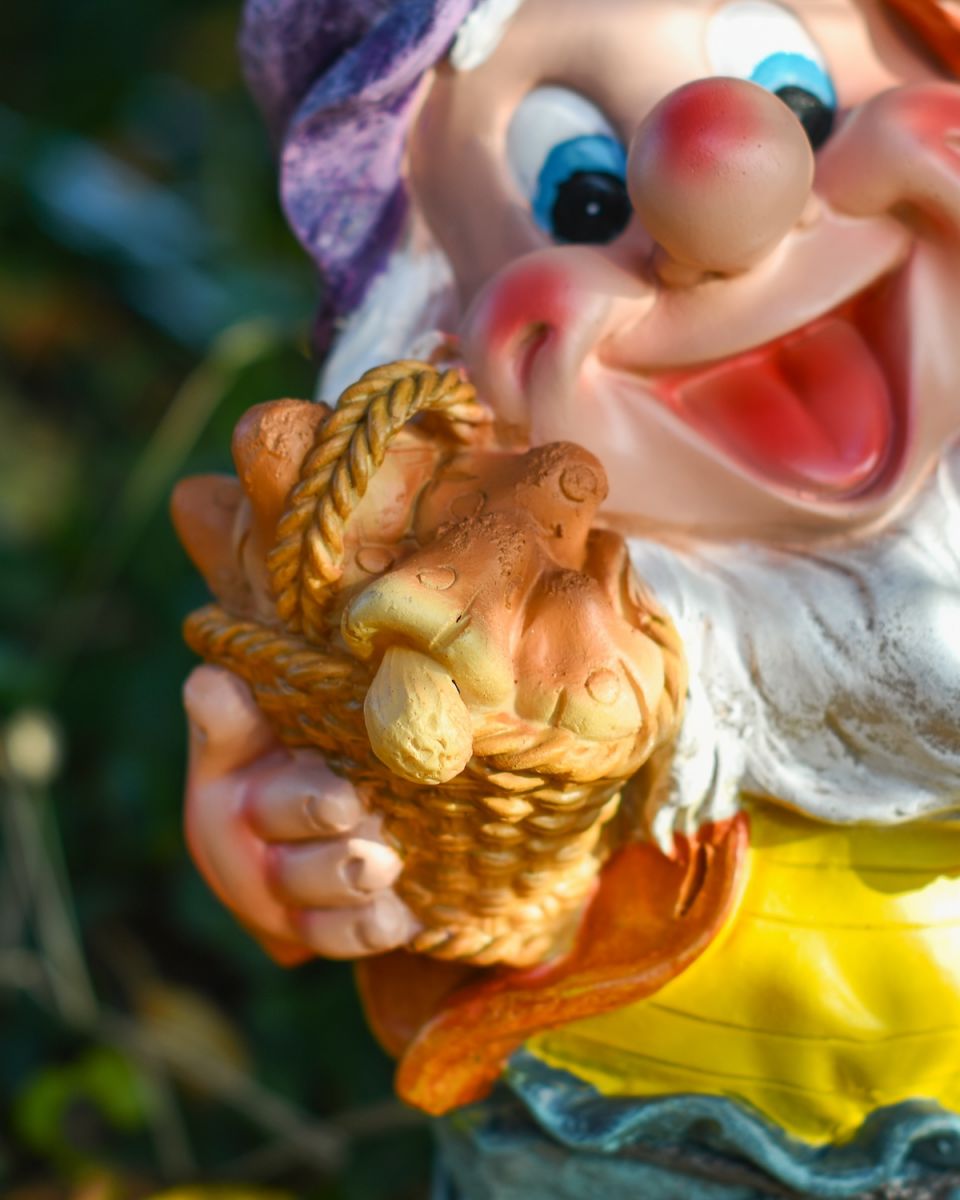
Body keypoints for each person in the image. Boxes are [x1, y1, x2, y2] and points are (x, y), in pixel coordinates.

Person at [181, 1, 960, 1194]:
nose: (726, 187)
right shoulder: (502, 661)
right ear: (431, 325)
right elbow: (434, 873)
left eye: (799, 97)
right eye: (582, 198)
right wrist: (310, 836)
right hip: (629, 1146)